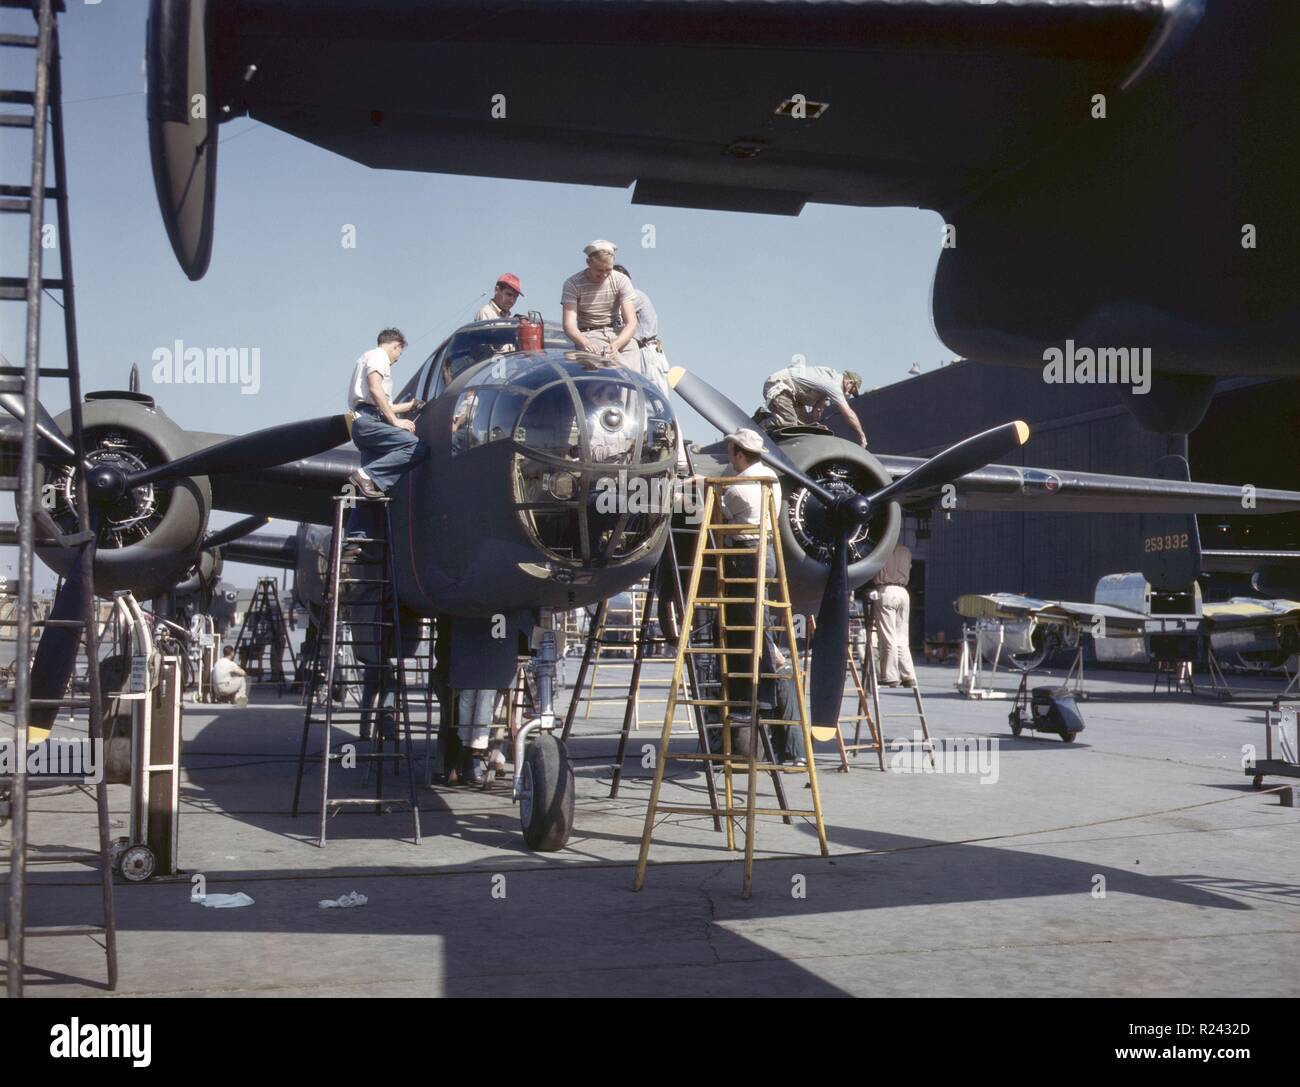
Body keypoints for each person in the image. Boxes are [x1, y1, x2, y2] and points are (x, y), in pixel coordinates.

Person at [717, 428, 782, 753]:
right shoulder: (771, 477)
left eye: (731, 452)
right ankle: (769, 680)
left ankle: (752, 696)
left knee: (744, 632)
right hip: (767, 553)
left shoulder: (739, 488)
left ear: (739, 454)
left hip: (744, 556)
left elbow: (720, 515)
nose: (729, 458)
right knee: (761, 622)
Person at [344, 328, 429, 555]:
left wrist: (409, 407)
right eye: (398, 354)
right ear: (396, 346)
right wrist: (396, 422)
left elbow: (379, 401)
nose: (397, 359)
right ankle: (365, 476)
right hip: (370, 421)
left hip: (365, 419)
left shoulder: (368, 358)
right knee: (416, 447)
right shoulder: (378, 356)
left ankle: (355, 540)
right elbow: (375, 389)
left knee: (372, 488)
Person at [561, 240, 640, 371]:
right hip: (590, 335)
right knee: (619, 366)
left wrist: (616, 344)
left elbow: (631, 323)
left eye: (608, 270)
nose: (603, 275)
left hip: (616, 332)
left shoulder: (621, 280)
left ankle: (633, 390)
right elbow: (569, 325)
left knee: (633, 352)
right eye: (599, 270)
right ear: (588, 263)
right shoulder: (573, 284)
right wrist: (585, 343)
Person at [761, 362, 867, 446]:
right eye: (851, 391)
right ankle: (758, 426)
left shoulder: (828, 383)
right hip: (779, 386)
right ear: (849, 382)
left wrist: (815, 424)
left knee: (802, 428)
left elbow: (817, 409)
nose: (848, 394)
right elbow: (848, 413)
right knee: (789, 421)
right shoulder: (833, 384)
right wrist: (861, 435)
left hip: (792, 395)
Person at [611, 263, 669, 393]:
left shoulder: (634, 296)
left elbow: (615, 316)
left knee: (653, 394)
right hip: (639, 351)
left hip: (646, 352)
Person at [872, 541, 917, 688]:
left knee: (887, 636)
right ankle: (908, 675)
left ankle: (890, 675)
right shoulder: (906, 551)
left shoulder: (882, 548)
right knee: (902, 637)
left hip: (886, 591)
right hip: (903, 593)